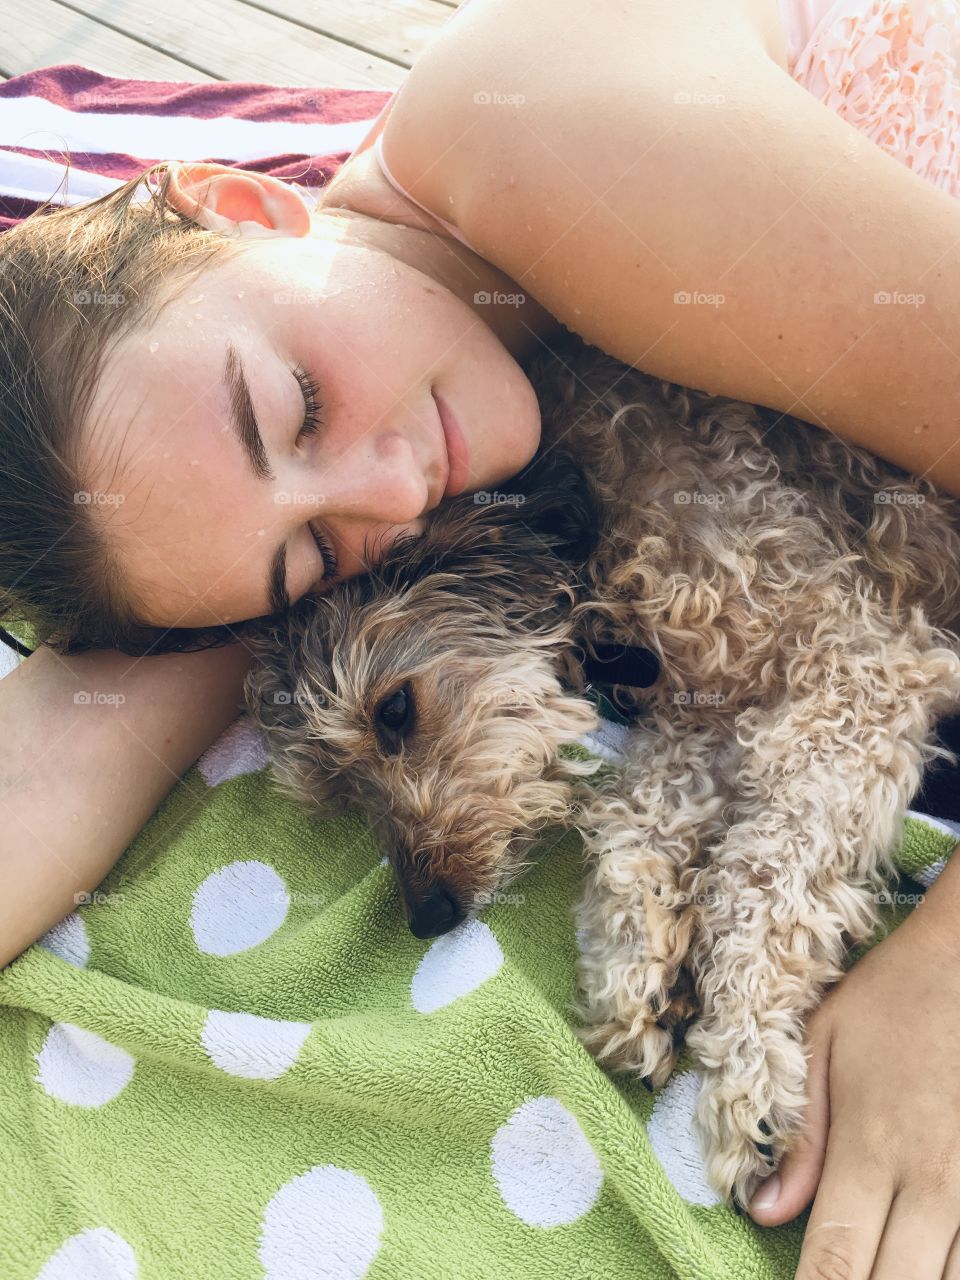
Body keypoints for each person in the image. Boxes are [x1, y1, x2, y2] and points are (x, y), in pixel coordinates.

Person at [1, 0, 960, 1271]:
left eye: (296, 405)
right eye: (314, 558)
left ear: (244, 206)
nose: (396, 495)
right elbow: (61, 742)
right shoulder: (354, 436)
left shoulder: (549, 141)